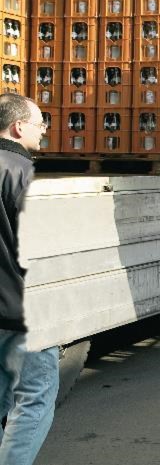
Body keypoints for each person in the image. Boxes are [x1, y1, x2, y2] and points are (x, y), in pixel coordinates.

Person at [0, 93, 59, 465]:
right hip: (25, 314)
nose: (43, 131)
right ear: (19, 126)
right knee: (33, 399)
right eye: (39, 124)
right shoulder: (25, 176)